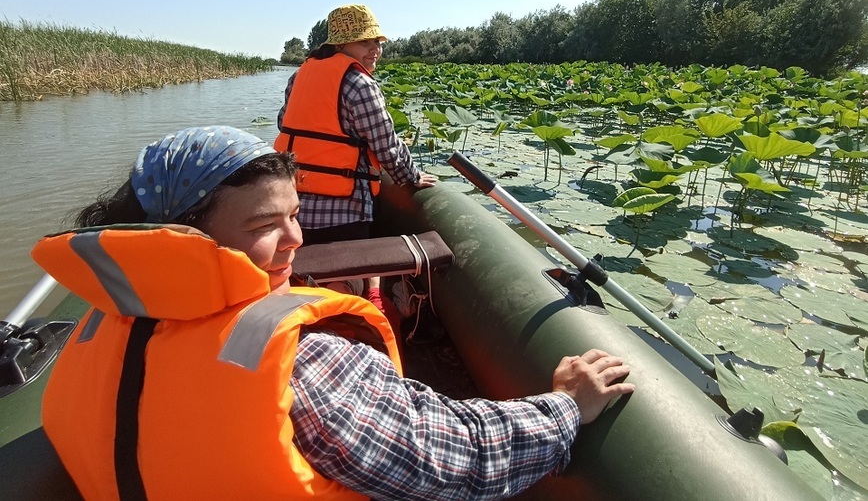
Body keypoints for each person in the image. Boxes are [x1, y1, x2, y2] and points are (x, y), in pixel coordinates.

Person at [32, 125, 635, 501]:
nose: (295, 239)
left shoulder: (95, 323)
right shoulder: (306, 363)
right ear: (185, 236)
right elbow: (461, 459)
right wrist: (566, 407)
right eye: (266, 225)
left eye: (294, 213)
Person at [274, 4, 437, 312]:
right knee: (346, 283)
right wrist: (411, 177)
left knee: (308, 273)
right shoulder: (360, 84)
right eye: (366, 42)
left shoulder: (299, 76)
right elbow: (386, 146)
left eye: (378, 42)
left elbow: (285, 122)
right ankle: (365, 301)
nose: (375, 49)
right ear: (340, 45)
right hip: (345, 213)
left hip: (294, 209)